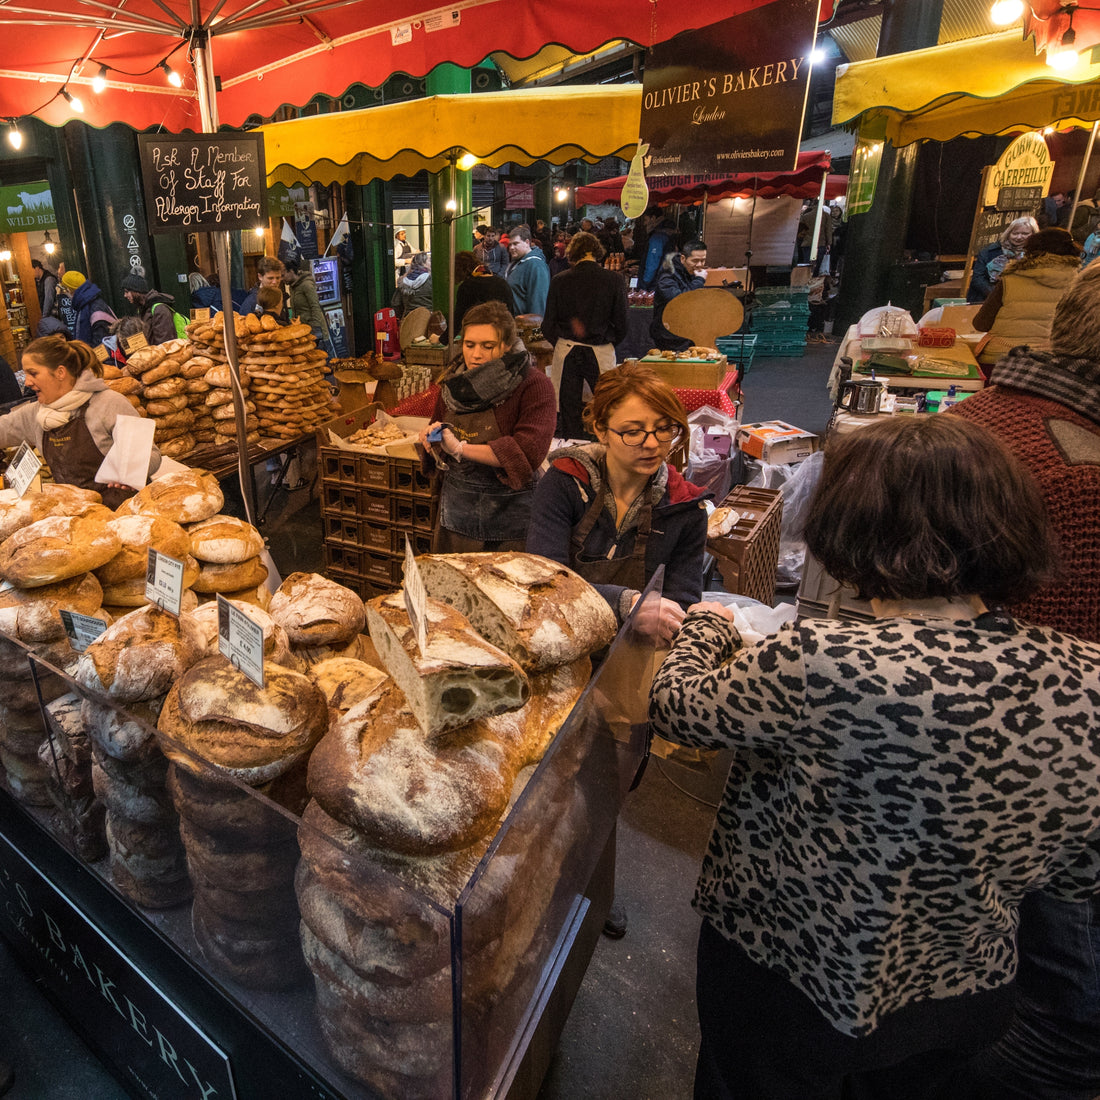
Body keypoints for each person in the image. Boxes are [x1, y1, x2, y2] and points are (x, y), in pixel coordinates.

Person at [648, 414, 1100, 1100]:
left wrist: (709, 624)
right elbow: (1077, 873)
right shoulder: (1086, 675)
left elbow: (679, 707)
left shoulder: (823, 659)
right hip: (962, 991)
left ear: (852, 527)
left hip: (786, 974)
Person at [950, 264, 1100, 1100]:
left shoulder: (975, 417)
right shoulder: (1080, 470)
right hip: (1042, 777)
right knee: (1067, 1021)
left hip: (950, 767)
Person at [527, 362, 708, 644]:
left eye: (663, 429)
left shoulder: (684, 507)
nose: (651, 444)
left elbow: (680, 602)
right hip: (563, 639)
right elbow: (546, 583)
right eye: (633, 432)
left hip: (638, 651)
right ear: (601, 430)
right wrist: (627, 603)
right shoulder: (564, 483)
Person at [417, 301, 556, 553]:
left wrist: (460, 448)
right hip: (458, 513)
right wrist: (432, 437)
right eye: (469, 345)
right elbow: (438, 425)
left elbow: (528, 451)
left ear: (505, 345)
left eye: (487, 346)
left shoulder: (534, 385)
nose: (476, 354)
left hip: (511, 517)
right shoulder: (455, 383)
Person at [0, 335, 160, 508]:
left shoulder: (109, 403)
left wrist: (130, 471)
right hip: (79, 514)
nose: (28, 382)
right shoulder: (35, 415)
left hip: (126, 511)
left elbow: (152, 454)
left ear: (60, 372)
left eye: (33, 373)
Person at [541, 230, 628, 439]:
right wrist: (609, 340)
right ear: (596, 252)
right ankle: (604, 441)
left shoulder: (560, 280)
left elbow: (548, 323)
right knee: (607, 403)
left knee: (567, 405)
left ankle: (570, 447)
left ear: (573, 253)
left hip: (567, 348)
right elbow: (622, 323)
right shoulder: (614, 280)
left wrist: (561, 339)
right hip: (601, 349)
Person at [972, 227, 1080, 366]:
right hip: (1049, 363)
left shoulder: (1010, 279)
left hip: (1000, 358)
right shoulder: (1079, 285)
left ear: (1031, 250)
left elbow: (980, 324)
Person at [650, 238, 707, 351]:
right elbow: (679, 300)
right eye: (695, 261)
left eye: (703, 260)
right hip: (670, 336)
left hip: (687, 333)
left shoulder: (690, 272)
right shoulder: (668, 274)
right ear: (683, 258)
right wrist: (699, 281)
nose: (700, 265)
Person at [967, 216, 1039, 303]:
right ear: (1008, 233)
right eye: (1015, 233)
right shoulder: (988, 252)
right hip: (987, 300)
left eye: (1024, 234)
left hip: (1024, 301)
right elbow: (977, 279)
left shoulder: (1037, 254)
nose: (1019, 237)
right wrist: (996, 294)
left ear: (1034, 234)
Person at [453, 250, 514, 327]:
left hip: (481, 333)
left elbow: (458, 320)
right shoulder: (502, 283)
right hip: (503, 332)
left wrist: (441, 339)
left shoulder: (467, 287)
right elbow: (511, 315)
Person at [121, 273, 180, 346]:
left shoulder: (159, 310)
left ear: (137, 291)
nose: (125, 295)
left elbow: (165, 344)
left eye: (127, 292)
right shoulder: (142, 309)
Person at [284, 256, 330, 346]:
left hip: (315, 331)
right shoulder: (292, 286)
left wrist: (316, 331)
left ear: (291, 271)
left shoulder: (307, 285)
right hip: (303, 330)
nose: (281, 279)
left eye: (283, 275)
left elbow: (315, 307)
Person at [505, 226, 551, 316]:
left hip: (525, 326)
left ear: (527, 242)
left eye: (515, 243)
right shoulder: (517, 262)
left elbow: (538, 302)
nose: (511, 248)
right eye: (510, 244)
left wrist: (533, 328)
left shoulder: (536, 266)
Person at [639, 212, 677, 291]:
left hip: (654, 284)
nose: (644, 224)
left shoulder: (657, 238)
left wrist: (645, 284)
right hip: (664, 281)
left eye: (646, 220)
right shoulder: (666, 239)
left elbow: (652, 262)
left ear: (653, 219)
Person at [391, 252, 434, 318]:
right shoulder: (431, 280)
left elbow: (396, 304)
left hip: (409, 320)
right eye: (429, 260)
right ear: (423, 264)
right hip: (428, 319)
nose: (432, 263)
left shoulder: (402, 281)